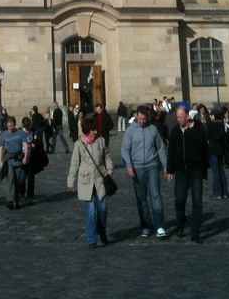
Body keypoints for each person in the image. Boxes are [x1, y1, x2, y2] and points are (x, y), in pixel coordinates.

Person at [120, 104, 168, 238]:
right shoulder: (130, 131)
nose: (141, 121)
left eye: (144, 119)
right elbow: (125, 149)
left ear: (147, 117)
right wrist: (129, 166)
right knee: (141, 199)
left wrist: (166, 166)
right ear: (136, 116)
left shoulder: (153, 129)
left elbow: (160, 148)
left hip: (152, 166)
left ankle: (159, 225)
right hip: (137, 168)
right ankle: (146, 225)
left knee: (156, 196)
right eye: (140, 119)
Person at [67, 115, 114, 249]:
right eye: (92, 130)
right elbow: (74, 163)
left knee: (103, 208)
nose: (95, 132)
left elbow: (107, 156)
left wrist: (109, 169)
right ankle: (91, 239)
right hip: (86, 180)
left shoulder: (101, 141)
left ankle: (101, 230)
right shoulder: (79, 144)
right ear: (87, 130)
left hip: (100, 179)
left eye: (95, 129)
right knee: (91, 210)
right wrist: (71, 181)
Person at [165, 105, 208, 244]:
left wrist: (203, 168)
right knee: (180, 199)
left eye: (181, 117)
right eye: (177, 117)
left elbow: (204, 147)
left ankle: (195, 232)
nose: (178, 119)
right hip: (181, 171)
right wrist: (169, 170)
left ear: (187, 117)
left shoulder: (197, 129)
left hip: (195, 170)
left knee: (197, 201)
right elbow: (170, 151)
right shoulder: (175, 131)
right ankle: (180, 224)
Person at [0, 115, 29, 210]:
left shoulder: (21, 133)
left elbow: (25, 145)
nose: (10, 128)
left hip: (18, 160)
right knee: (10, 180)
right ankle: (9, 200)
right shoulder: (4, 135)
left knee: (18, 181)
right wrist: (1, 161)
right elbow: (1, 148)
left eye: (11, 125)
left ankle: (16, 200)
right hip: (9, 160)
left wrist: (25, 157)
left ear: (14, 124)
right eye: (8, 126)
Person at [206, 109, 229, 199]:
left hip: (213, 150)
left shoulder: (211, 125)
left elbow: (208, 137)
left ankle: (217, 193)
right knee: (221, 170)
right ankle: (225, 192)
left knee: (215, 172)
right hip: (220, 149)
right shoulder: (221, 125)